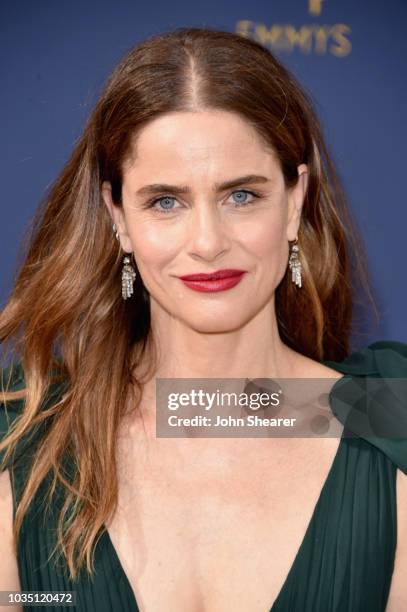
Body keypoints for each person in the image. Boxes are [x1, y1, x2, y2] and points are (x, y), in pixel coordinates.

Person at [0, 26, 406, 612]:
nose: (208, 242)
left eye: (241, 195)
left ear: (295, 201)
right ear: (119, 217)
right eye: (166, 201)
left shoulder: (388, 421)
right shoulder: (26, 436)